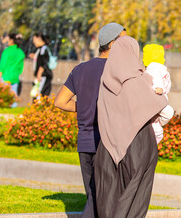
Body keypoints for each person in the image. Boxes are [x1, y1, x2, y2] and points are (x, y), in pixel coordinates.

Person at [54, 22, 126, 218]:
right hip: (108, 144)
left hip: (85, 144)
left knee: (94, 198)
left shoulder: (80, 69)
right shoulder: (119, 70)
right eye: (124, 41)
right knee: (100, 202)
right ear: (112, 44)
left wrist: (84, 105)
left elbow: (60, 102)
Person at [95, 36, 168, 218]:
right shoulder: (137, 78)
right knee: (137, 189)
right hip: (138, 141)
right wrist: (164, 98)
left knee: (110, 193)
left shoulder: (106, 79)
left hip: (109, 141)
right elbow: (155, 104)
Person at [142, 44, 174, 144]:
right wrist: (159, 87)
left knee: (156, 123)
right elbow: (157, 78)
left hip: (156, 97)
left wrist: (158, 87)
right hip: (159, 97)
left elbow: (155, 77)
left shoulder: (153, 67)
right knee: (167, 114)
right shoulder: (158, 67)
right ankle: (154, 140)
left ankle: (152, 141)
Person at [0, 33, 25, 108]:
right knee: (14, 93)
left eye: (9, 40)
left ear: (12, 40)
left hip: (6, 76)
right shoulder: (21, 52)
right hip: (15, 77)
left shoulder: (7, 51)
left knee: (4, 94)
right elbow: (20, 67)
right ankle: (13, 107)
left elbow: (3, 64)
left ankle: (4, 107)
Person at [29, 33, 53, 99]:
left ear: (39, 39)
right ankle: (38, 106)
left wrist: (39, 73)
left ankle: (39, 107)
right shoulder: (41, 49)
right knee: (39, 92)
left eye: (34, 39)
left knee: (40, 93)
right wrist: (34, 56)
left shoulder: (43, 49)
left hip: (44, 75)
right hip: (43, 75)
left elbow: (44, 62)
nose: (33, 41)